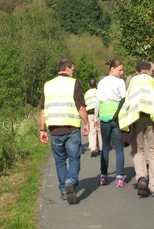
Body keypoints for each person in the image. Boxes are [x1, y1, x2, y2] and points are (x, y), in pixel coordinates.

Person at [39, 59, 90, 204]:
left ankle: (63, 189)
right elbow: (80, 107)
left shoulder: (47, 85)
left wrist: (42, 129)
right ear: (67, 68)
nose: (73, 71)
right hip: (72, 127)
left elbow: (43, 110)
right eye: (72, 69)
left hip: (54, 128)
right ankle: (71, 180)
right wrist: (87, 123)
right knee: (74, 157)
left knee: (60, 160)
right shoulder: (75, 83)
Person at [119, 60, 154, 197]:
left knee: (138, 149)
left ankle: (141, 177)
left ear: (137, 71)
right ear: (150, 69)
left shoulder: (131, 81)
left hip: (135, 118)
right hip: (153, 119)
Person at [96, 59, 127, 187]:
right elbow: (124, 99)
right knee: (119, 148)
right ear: (112, 69)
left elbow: (98, 101)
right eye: (120, 69)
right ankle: (119, 177)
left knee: (105, 147)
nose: (122, 72)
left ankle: (103, 176)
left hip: (104, 117)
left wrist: (96, 118)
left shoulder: (101, 82)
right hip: (117, 117)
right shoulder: (120, 82)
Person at [84, 78, 101, 157]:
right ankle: (101, 147)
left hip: (89, 112)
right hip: (98, 112)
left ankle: (93, 148)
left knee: (92, 131)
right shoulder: (99, 92)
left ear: (88, 85)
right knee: (99, 130)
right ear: (96, 84)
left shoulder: (86, 93)